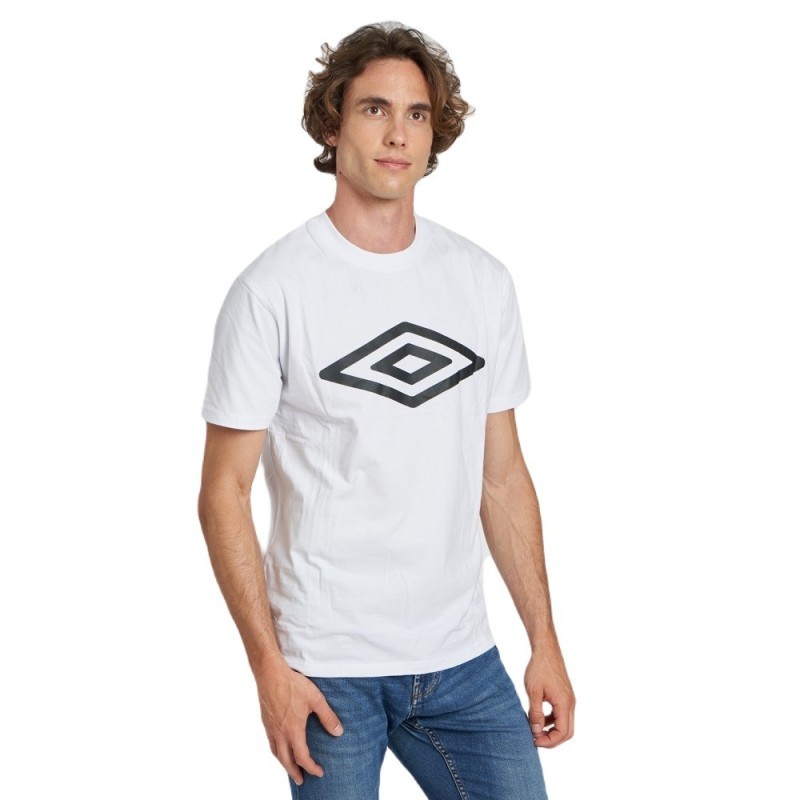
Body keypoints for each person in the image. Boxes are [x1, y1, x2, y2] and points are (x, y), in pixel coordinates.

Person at [197, 21, 575, 799]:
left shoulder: (481, 282)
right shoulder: (272, 291)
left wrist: (544, 639)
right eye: (374, 109)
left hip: (463, 661)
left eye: (416, 114)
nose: (398, 133)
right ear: (332, 125)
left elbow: (502, 478)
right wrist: (268, 668)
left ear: (435, 133)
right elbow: (222, 492)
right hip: (326, 669)